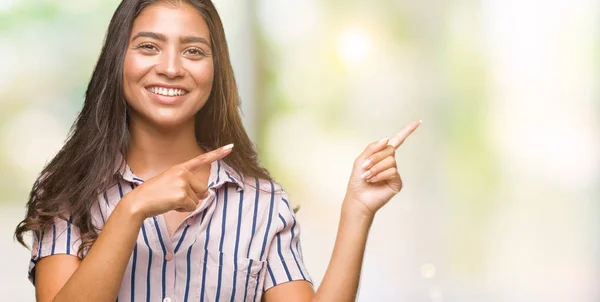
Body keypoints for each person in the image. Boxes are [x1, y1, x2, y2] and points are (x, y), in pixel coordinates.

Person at [14, 0, 421, 301]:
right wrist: (132, 209)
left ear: (216, 71)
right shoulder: (68, 191)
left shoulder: (263, 204)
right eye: (149, 47)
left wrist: (357, 211)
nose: (172, 67)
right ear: (118, 61)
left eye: (193, 51)